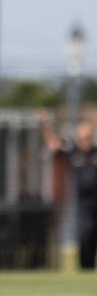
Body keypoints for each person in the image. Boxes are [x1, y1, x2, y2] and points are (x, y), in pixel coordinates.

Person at [39, 111, 97, 269]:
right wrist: (45, 124)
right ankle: (86, 267)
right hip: (82, 203)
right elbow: (52, 144)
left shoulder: (94, 152)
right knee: (86, 234)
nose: (85, 138)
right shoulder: (72, 152)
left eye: (87, 135)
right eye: (82, 135)